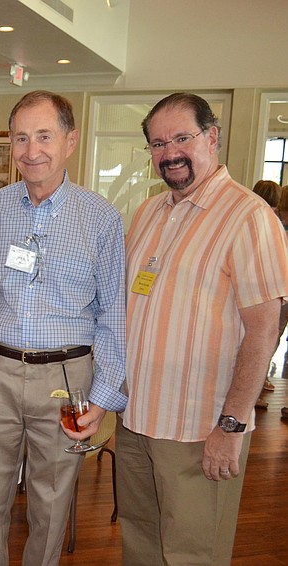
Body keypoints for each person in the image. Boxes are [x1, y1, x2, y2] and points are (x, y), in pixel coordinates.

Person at [119, 92, 288, 565]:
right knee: (140, 542)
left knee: (193, 553)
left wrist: (231, 426)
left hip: (199, 428)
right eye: (157, 143)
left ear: (212, 138)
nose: (169, 152)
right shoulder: (149, 212)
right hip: (136, 419)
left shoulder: (249, 217)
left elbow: (263, 331)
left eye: (181, 138)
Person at [0, 90, 127, 566]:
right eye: (20, 137)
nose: (32, 150)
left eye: (44, 136)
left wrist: (105, 396)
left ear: (70, 141)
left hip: (67, 380)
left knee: (51, 503)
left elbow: (114, 313)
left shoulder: (101, 218)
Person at [251, 179, 284, 407]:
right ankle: (258, 385)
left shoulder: (257, 218)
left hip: (271, 291)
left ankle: (258, 385)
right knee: (270, 337)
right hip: (274, 291)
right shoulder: (267, 220)